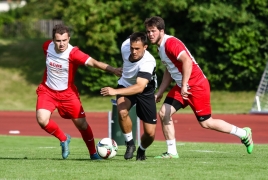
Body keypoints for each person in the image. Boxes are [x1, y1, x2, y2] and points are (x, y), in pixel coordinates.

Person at [144, 16, 254, 158]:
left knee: (206, 123)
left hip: (196, 85)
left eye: (153, 31)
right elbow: (169, 70)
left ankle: (244, 133)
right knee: (164, 114)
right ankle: (172, 152)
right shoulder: (161, 48)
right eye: (148, 32)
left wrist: (184, 85)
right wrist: (160, 92)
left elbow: (187, 62)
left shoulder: (170, 43)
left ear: (162, 31)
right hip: (182, 86)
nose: (150, 34)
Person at [36, 24, 121, 160]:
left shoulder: (74, 53)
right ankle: (64, 139)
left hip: (68, 94)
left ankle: (93, 153)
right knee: (41, 119)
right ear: (53, 40)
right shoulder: (47, 47)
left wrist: (113, 70)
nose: (61, 44)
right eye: (58, 41)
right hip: (47, 91)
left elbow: (94, 63)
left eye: (64, 40)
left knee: (81, 124)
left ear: (69, 38)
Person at [100, 32, 157, 161]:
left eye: (137, 48)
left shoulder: (148, 62)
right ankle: (130, 144)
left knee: (150, 133)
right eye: (132, 47)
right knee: (122, 112)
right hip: (125, 84)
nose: (133, 51)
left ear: (145, 47)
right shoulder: (125, 46)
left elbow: (139, 87)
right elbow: (130, 37)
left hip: (145, 90)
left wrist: (114, 91)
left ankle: (141, 150)